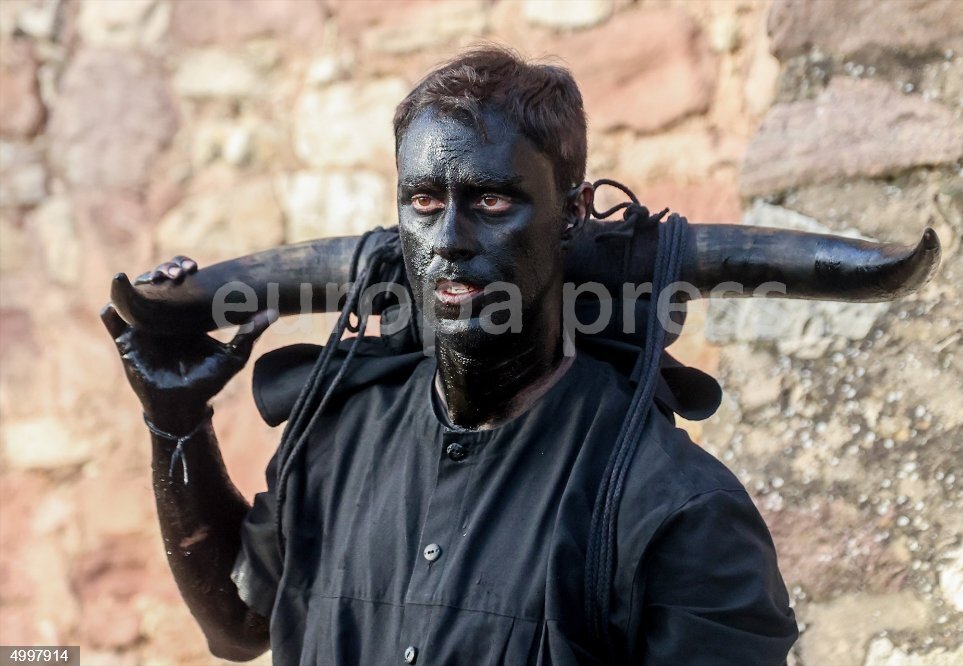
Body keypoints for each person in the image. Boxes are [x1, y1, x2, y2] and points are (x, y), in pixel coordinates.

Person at [102, 47, 798, 664]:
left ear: (573, 215)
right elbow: (238, 626)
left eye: (492, 201)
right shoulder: (334, 440)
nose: (449, 239)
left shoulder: (677, 506)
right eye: (425, 201)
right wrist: (176, 422)